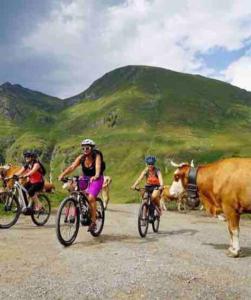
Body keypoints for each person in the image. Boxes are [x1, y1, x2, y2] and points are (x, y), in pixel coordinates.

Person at [58, 139, 105, 231]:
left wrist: (96, 175)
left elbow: (98, 167)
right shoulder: (81, 157)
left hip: (97, 178)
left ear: (92, 148)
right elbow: (72, 167)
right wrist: (62, 175)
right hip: (85, 177)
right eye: (83, 148)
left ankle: (93, 222)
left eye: (87, 148)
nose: (85, 150)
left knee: (91, 198)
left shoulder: (97, 155)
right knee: (74, 190)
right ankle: (75, 211)